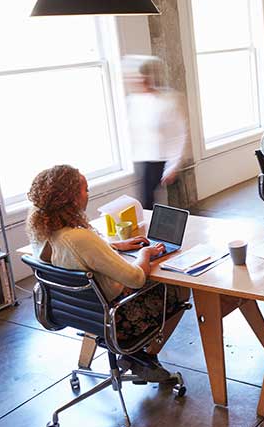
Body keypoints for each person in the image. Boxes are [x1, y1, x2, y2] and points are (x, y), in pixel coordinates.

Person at [26, 165, 189, 382]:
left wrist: (113, 247)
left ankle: (137, 357)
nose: (88, 194)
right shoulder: (80, 238)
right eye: (85, 190)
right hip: (117, 317)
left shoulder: (43, 234)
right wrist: (145, 253)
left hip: (78, 312)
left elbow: (75, 255)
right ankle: (142, 357)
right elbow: (136, 278)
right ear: (72, 198)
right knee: (179, 290)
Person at [124, 56, 189, 210]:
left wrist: (173, 166)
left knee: (172, 207)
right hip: (143, 159)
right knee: (146, 203)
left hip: (163, 160)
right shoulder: (132, 101)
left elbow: (180, 134)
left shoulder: (168, 101)